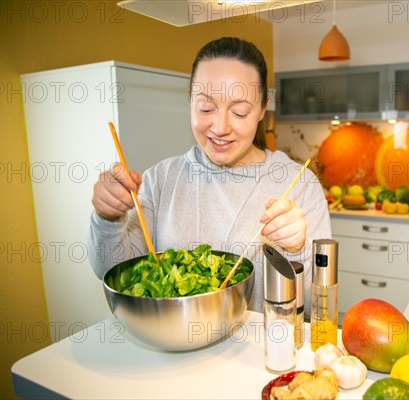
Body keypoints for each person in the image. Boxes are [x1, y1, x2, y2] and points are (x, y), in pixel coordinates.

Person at [87, 37, 331, 313]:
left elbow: (315, 307)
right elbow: (112, 271)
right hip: (174, 346)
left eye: (239, 112)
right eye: (205, 108)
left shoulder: (298, 184)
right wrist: (108, 219)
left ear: (262, 109)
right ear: (190, 99)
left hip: (259, 352)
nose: (220, 126)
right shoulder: (160, 180)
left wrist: (297, 248)